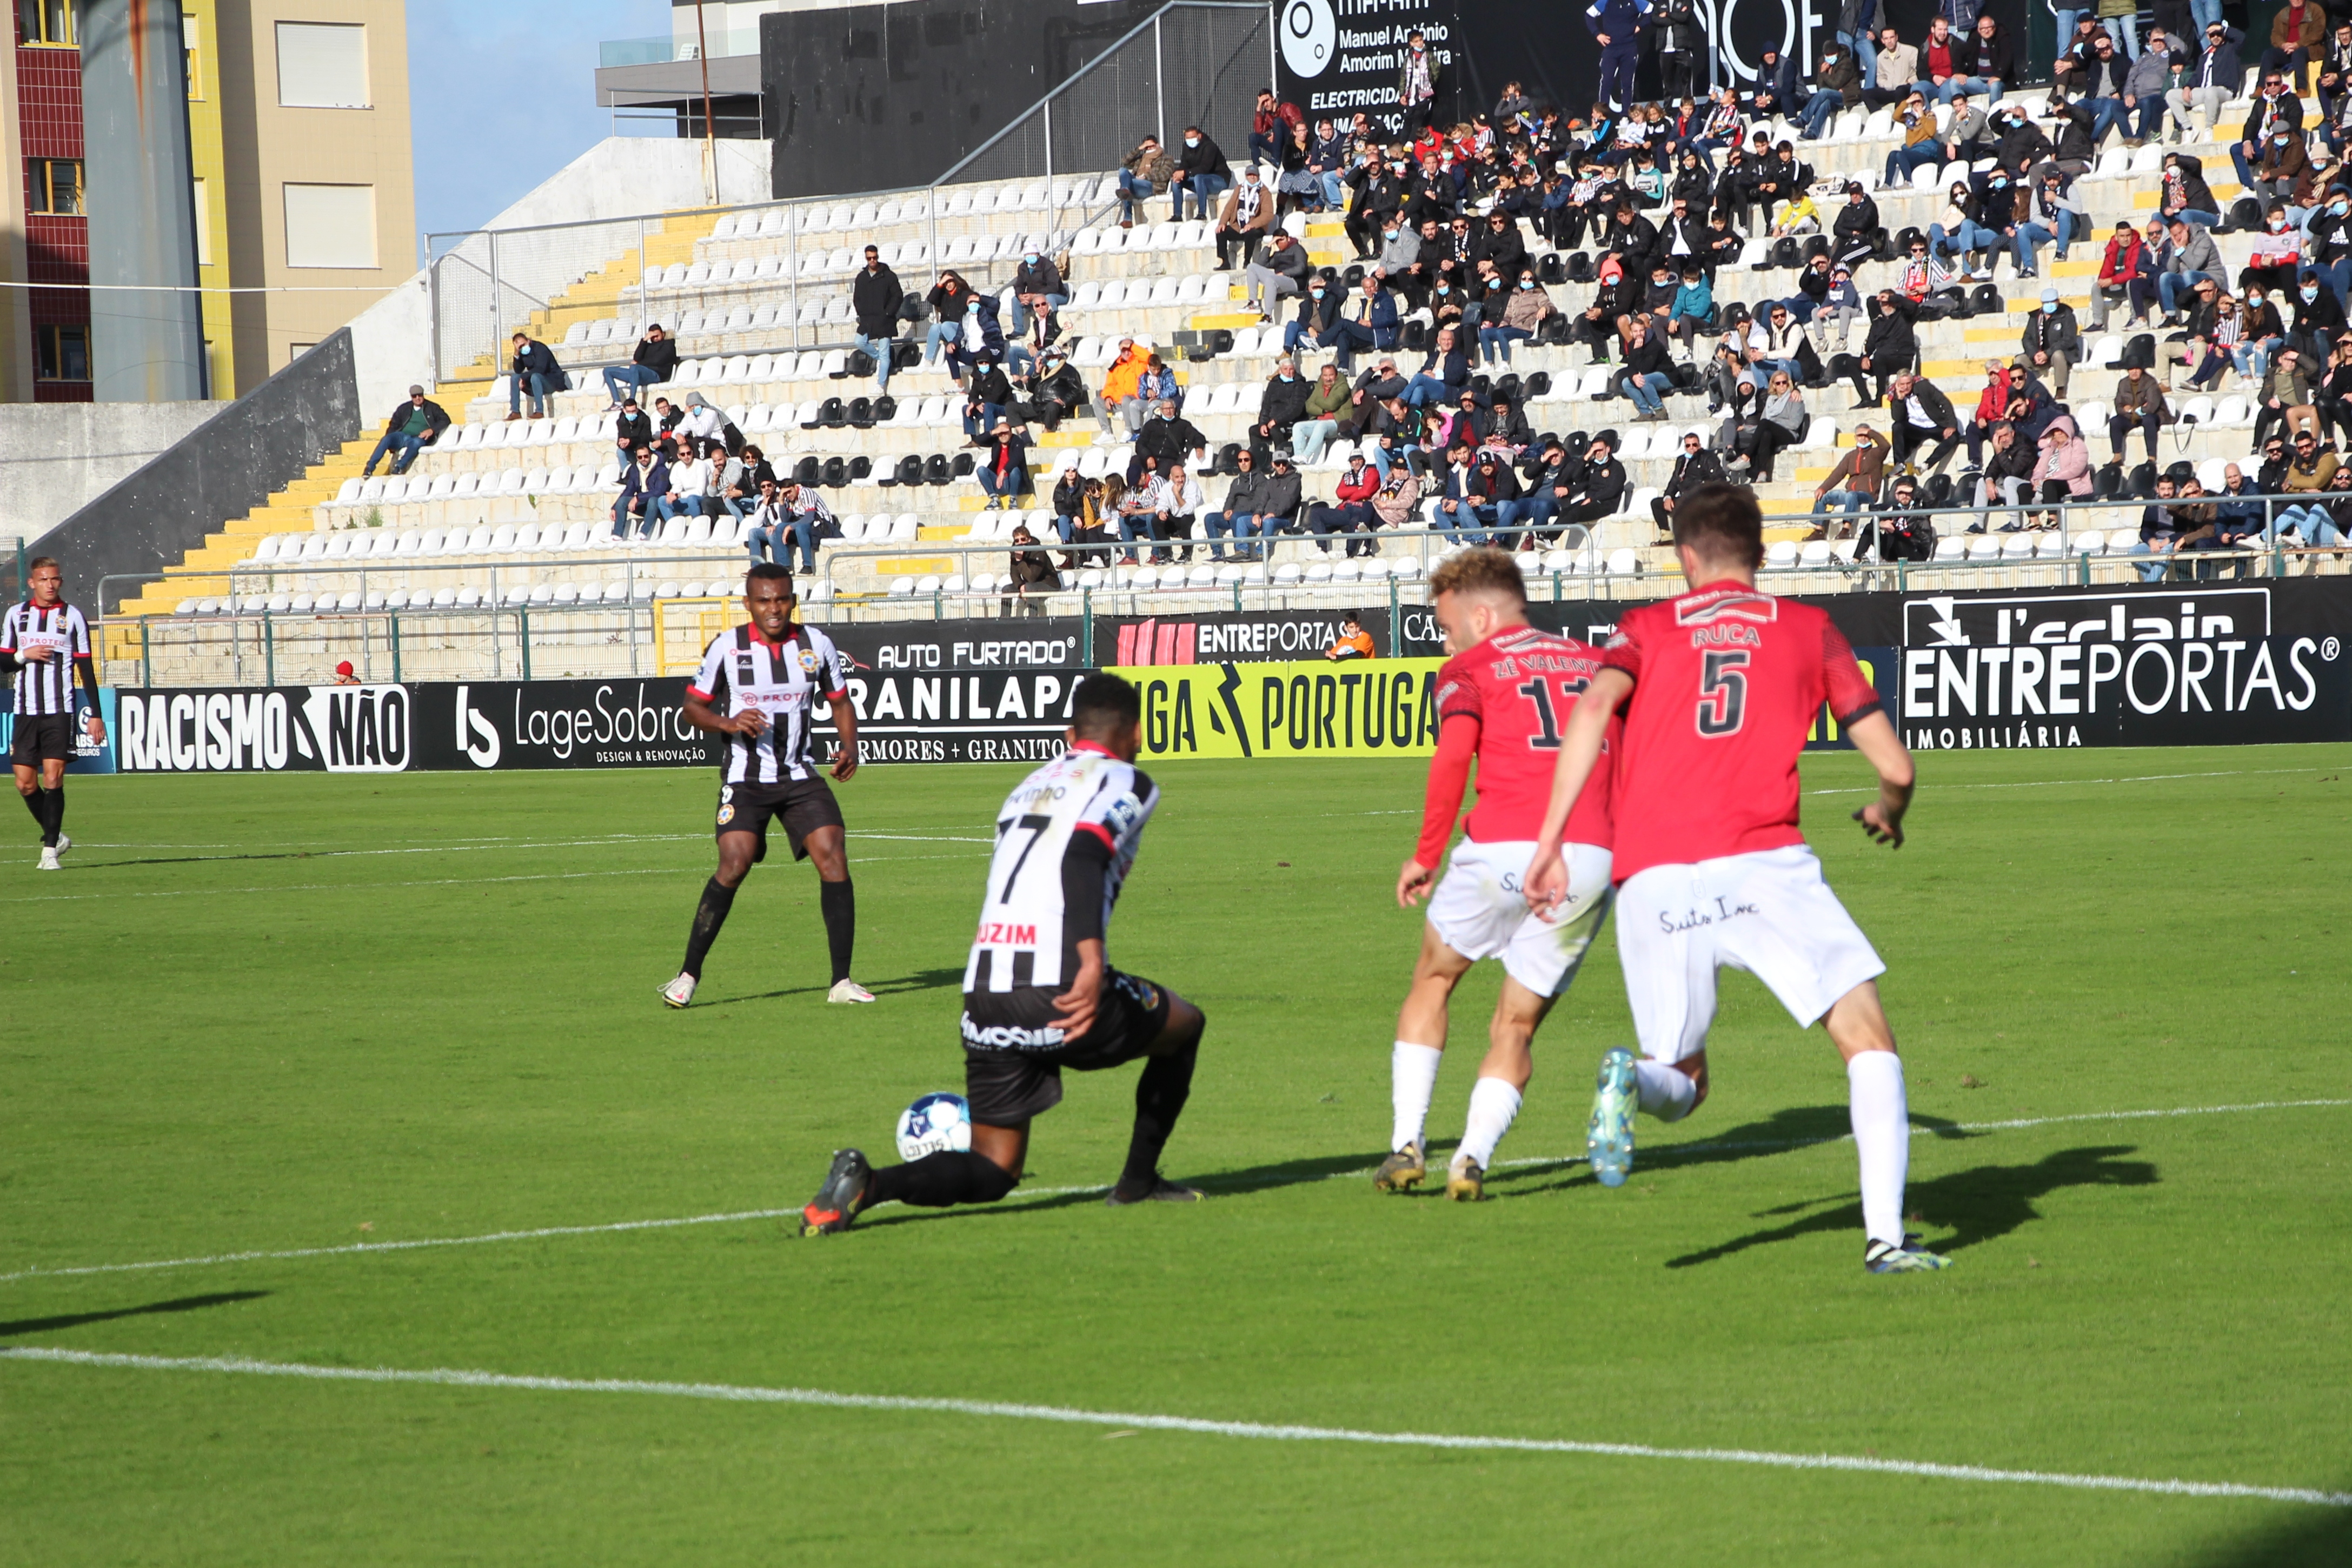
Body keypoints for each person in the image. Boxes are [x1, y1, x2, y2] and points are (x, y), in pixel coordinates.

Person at [1523, 484, 1946, 1274]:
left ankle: (1632, 1078)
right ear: (1761, 551)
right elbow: (1895, 765)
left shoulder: (1645, 628)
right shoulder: (1808, 628)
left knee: (1680, 1081)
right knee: (1866, 1043)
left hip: (1651, 879)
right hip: (1760, 866)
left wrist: (1549, 842)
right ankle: (1886, 1240)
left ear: (1685, 557)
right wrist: (1889, 808)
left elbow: (1587, 713)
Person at [799, 674, 1207, 1233]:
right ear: (1137, 731)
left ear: (1070, 733)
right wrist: (1090, 960)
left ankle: (869, 1183)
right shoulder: (1127, 779)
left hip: (986, 990)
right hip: (1058, 983)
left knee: (996, 1166)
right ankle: (1136, 1183)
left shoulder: (1029, 784)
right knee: (1184, 1024)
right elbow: (1084, 855)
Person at [1378, 549, 1619, 1200]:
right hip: (1589, 857)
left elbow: (1454, 754)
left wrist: (1426, 853)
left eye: (1448, 623)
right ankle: (1472, 1156)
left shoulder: (1470, 666)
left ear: (1481, 615)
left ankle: (1407, 1142)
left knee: (1434, 977)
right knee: (1516, 1026)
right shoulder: (1598, 664)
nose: (1446, 636)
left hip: (1503, 846)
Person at [665, 566, 868, 1011]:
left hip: (800, 776)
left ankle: (842, 982)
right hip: (745, 778)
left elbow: (841, 702)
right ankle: (687, 976)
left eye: (781, 600)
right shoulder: (727, 647)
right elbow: (692, 709)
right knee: (734, 863)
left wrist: (849, 745)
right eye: (764, 601)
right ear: (749, 604)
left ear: (792, 600)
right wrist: (727, 722)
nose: (773, 609)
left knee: (833, 855)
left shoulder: (817, 645)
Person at [3, 557, 103, 871]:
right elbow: (4, 662)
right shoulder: (16, 615)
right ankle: (56, 836)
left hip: (60, 709)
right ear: (32, 583)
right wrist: (24, 654)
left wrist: (96, 714)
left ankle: (49, 853)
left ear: (60, 581)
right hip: (25, 710)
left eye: (55, 579)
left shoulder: (72, 616)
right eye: (43, 580)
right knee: (25, 784)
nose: (50, 585)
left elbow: (86, 667)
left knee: (53, 777)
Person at [362, 385, 449, 477]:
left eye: (420, 395)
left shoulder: (433, 408)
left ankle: (399, 467)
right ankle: (369, 468)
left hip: (419, 437)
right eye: (415, 396)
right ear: (411, 397)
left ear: (423, 395)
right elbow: (394, 424)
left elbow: (445, 420)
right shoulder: (404, 408)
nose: (418, 398)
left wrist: (432, 430)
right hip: (403, 436)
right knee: (386, 439)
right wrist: (391, 442)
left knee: (416, 443)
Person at [851, 245, 903, 394]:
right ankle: (879, 358)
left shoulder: (889, 276)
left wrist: (889, 313)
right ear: (866, 258)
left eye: (875, 258)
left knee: (885, 351)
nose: (872, 261)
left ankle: (881, 385)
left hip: (884, 321)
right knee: (860, 342)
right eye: (869, 258)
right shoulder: (861, 278)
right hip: (867, 320)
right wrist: (862, 313)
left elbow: (898, 296)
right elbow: (857, 298)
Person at [1654, 428, 1726, 534]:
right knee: (1656, 504)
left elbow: (1719, 478)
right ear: (1685, 447)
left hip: (1700, 499)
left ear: (1699, 445)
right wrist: (1668, 497)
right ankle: (1666, 535)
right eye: (1688, 445)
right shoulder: (1681, 460)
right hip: (1685, 498)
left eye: (1694, 445)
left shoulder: (1708, 458)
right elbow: (1675, 481)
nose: (1692, 448)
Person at [1812, 422, 1886, 525]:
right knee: (1823, 496)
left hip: (1868, 495)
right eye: (1860, 435)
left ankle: (1846, 527)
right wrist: (1823, 488)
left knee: (1852, 495)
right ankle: (1818, 529)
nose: (1864, 438)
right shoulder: (1850, 456)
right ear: (1856, 438)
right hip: (1849, 494)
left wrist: (1870, 432)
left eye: (1866, 435)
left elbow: (1886, 446)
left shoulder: (1876, 454)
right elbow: (1837, 474)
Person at [2021, 285, 2081, 396]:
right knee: (2021, 360)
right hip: (2039, 353)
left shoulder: (2067, 316)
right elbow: (2027, 338)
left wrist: (2048, 353)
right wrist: (2034, 354)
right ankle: (2025, 389)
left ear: (2058, 302)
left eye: (2052, 302)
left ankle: (2060, 389)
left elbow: (2069, 339)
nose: (2049, 305)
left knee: (2058, 355)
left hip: (2060, 354)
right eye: (2046, 302)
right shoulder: (2035, 317)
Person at [1214, 166, 1274, 273]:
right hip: (1239, 226)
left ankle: (1247, 262)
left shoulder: (1264, 192)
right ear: (1246, 176)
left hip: (1257, 228)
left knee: (1250, 233)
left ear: (1258, 176)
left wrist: (1253, 224)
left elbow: (1268, 214)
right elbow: (1229, 208)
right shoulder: (1239, 189)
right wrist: (1222, 223)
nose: (1252, 177)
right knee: (1221, 232)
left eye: (1254, 175)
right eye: (1249, 175)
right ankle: (1225, 262)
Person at [604, 323, 677, 408]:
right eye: (652, 337)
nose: (655, 338)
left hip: (657, 374)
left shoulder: (668, 344)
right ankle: (617, 402)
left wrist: (639, 364)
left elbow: (658, 360)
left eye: (657, 336)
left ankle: (631, 401)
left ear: (663, 334)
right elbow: (637, 357)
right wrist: (644, 340)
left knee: (634, 368)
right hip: (640, 374)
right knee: (607, 371)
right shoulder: (648, 346)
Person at [1172, 125, 1232, 222]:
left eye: (1192, 138)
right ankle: (1177, 215)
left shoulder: (1209, 146)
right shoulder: (1186, 147)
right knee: (1176, 181)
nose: (1190, 140)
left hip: (1219, 180)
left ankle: (1202, 213)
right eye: (1187, 138)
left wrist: (1185, 173)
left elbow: (1205, 168)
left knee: (1199, 177)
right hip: (1200, 182)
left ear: (1199, 136)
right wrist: (1178, 173)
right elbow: (1184, 164)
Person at [507, 332, 564, 421]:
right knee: (515, 378)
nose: (522, 348)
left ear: (528, 341)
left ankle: (539, 411)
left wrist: (524, 377)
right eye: (520, 347)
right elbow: (518, 370)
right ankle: (515, 412)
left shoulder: (541, 349)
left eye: (523, 345)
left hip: (552, 381)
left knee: (535, 377)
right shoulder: (522, 352)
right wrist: (517, 354)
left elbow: (541, 369)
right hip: (536, 384)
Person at [1006, 524, 1061, 597]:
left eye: (1023, 539)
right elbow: (1014, 574)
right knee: (1006, 590)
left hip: (1049, 583)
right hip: (1030, 584)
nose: (1020, 543)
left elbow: (1032, 578)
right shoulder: (1015, 552)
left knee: (1029, 588)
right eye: (1017, 540)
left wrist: (1020, 561)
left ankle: (1033, 609)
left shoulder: (1038, 551)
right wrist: (1021, 585)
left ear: (1029, 539)